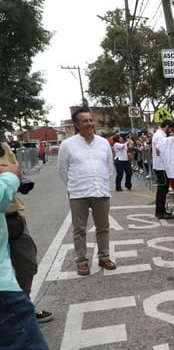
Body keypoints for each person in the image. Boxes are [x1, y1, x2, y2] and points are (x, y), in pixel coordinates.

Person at [0, 161, 50, 350]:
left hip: (13, 221)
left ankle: (26, 306)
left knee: (27, 264)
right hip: (3, 293)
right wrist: (10, 177)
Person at [58, 107, 116, 276]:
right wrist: (73, 185)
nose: (89, 123)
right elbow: (62, 169)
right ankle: (82, 261)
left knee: (103, 227)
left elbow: (109, 166)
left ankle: (104, 257)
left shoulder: (103, 142)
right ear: (77, 125)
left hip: (101, 191)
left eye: (91, 120)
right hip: (78, 192)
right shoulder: (67, 145)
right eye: (85, 121)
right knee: (79, 229)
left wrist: (103, 181)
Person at [0, 141, 53, 323]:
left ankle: (24, 306)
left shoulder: (4, 147)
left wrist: (20, 180)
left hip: (12, 217)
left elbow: (15, 171)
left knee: (28, 264)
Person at [152, 119, 174, 219]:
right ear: (166, 126)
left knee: (163, 189)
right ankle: (160, 212)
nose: (169, 131)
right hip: (161, 166)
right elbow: (162, 148)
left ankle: (161, 210)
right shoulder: (159, 136)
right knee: (162, 189)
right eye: (169, 129)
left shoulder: (159, 135)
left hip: (161, 166)